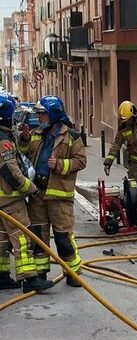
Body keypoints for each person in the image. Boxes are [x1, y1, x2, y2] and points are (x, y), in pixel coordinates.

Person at [19, 95, 87, 286]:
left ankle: (72, 272)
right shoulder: (36, 133)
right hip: (38, 193)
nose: (39, 117)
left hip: (59, 195)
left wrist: (59, 164)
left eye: (42, 114)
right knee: (38, 236)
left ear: (53, 114)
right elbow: (23, 151)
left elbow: (81, 161)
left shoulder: (71, 136)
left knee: (63, 236)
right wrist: (24, 139)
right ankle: (40, 273)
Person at [0, 94, 54, 293]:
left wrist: (22, 137)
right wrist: (30, 188)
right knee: (23, 238)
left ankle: (2, 276)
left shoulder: (4, 135)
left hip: (1, 201)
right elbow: (11, 172)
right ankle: (30, 278)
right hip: (10, 200)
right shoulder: (3, 142)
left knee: (2, 239)